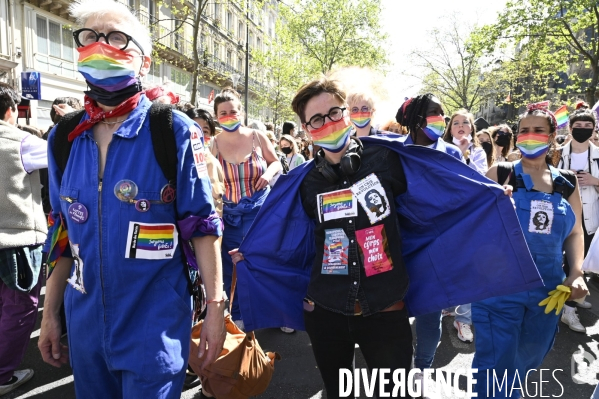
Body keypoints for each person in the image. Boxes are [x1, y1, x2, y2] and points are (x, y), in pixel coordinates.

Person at [230, 80, 542, 399]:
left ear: (347, 114)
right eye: (317, 119)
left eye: (334, 112)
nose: (328, 123)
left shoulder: (386, 159)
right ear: (307, 129)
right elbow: (292, 238)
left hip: (385, 304)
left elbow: (436, 198)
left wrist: (486, 197)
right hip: (326, 309)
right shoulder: (305, 181)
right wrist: (255, 254)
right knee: (338, 393)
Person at [38, 1, 225, 398]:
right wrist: (52, 313)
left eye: (118, 38)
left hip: (154, 327)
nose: (101, 46)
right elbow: (62, 233)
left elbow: (203, 225)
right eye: (89, 37)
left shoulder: (172, 129)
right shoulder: (63, 139)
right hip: (85, 328)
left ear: (145, 60)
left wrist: (215, 308)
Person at [473, 102, 588, 398]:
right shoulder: (499, 173)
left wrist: (575, 272)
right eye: (524, 130)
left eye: (538, 130)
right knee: (495, 365)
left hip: (548, 292)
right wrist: (494, 205)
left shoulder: (567, 182)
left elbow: (575, 232)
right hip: (499, 289)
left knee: (528, 359)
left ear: (551, 136)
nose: (530, 135)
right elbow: (471, 224)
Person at [210, 88, 281, 331]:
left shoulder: (257, 137)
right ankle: (236, 316)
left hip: (259, 212)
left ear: (241, 112)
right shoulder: (213, 145)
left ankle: (274, 312)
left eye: (233, 111)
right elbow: (207, 181)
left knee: (261, 261)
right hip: (228, 215)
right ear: (216, 116)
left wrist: (270, 173)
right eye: (223, 113)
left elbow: (276, 162)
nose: (229, 115)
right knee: (231, 266)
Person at [0, 83, 48, 396]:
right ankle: (3, 375)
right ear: (11, 109)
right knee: (19, 309)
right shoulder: (21, 141)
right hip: (17, 241)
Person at [557, 107, 598, 332]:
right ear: (570, 128)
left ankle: (572, 304)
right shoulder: (556, 153)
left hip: (589, 217)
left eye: (587, 126)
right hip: (562, 215)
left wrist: (595, 180)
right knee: (562, 262)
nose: (583, 130)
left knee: (578, 265)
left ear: (594, 129)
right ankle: (566, 305)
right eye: (578, 126)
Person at [185, 107, 225, 217]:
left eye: (205, 131)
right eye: (194, 129)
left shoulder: (210, 163)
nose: (199, 135)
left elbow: (215, 200)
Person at [443, 109, 488, 174]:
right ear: (451, 131)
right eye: (456, 123)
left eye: (465, 122)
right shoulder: (441, 148)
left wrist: (466, 157)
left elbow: (481, 176)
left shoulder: (478, 152)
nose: (460, 125)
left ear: (471, 129)